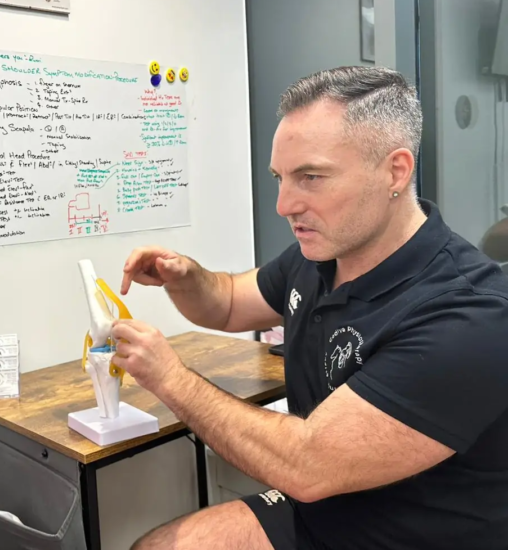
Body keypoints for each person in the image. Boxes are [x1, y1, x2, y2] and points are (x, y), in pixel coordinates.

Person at [111, 66, 508, 549]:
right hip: (323, 509)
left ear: (395, 171)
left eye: (311, 177)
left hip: (409, 532)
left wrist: (170, 378)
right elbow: (231, 303)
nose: (284, 204)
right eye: (281, 177)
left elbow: (307, 464)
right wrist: (188, 276)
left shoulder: (468, 315)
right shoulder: (321, 254)